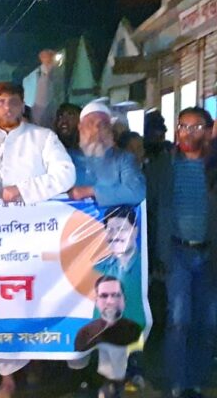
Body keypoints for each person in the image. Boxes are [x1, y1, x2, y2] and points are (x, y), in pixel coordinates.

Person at [0, 82, 76, 398]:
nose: (7, 108)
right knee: (0, 300)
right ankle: (8, 377)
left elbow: (65, 175)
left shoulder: (43, 138)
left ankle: (37, 363)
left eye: (13, 102)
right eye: (1, 102)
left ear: (22, 104)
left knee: (35, 297)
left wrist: (23, 191)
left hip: (34, 233)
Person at [148, 107, 217, 398]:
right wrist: (155, 254)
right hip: (176, 252)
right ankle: (177, 384)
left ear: (209, 131)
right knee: (179, 319)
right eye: (183, 126)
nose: (188, 133)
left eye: (196, 127)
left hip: (210, 254)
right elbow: (149, 210)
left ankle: (196, 382)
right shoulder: (163, 166)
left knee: (208, 321)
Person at [70, 276, 142, 397]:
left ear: (124, 299)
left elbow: (136, 361)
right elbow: (78, 369)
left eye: (116, 295)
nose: (110, 301)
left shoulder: (134, 330)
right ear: (96, 300)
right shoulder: (85, 333)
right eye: (104, 296)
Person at [67, 101, 145, 207]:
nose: (96, 129)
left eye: (103, 125)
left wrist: (91, 191)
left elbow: (138, 191)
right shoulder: (67, 158)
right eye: (90, 123)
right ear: (80, 128)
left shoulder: (124, 159)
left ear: (110, 130)